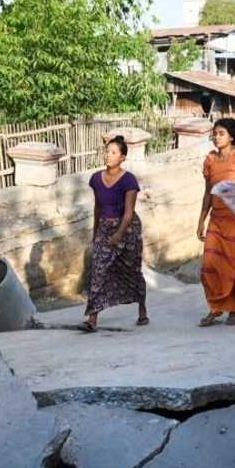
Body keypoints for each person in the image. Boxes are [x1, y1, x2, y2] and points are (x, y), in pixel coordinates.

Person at [81, 135, 147, 332]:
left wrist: (118, 235)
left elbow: (128, 214)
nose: (108, 156)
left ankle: (142, 308)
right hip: (104, 227)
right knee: (98, 269)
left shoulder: (129, 181)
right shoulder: (96, 179)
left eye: (113, 152)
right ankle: (92, 318)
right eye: (106, 151)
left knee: (131, 271)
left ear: (122, 158)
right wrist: (95, 232)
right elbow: (98, 208)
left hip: (127, 230)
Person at [197, 117, 235, 327]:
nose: (216, 137)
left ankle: (233, 310)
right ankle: (215, 307)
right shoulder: (210, 161)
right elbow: (207, 193)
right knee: (209, 265)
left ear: (231, 136)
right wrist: (201, 221)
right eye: (215, 133)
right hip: (217, 220)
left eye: (221, 133)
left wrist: (234, 189)